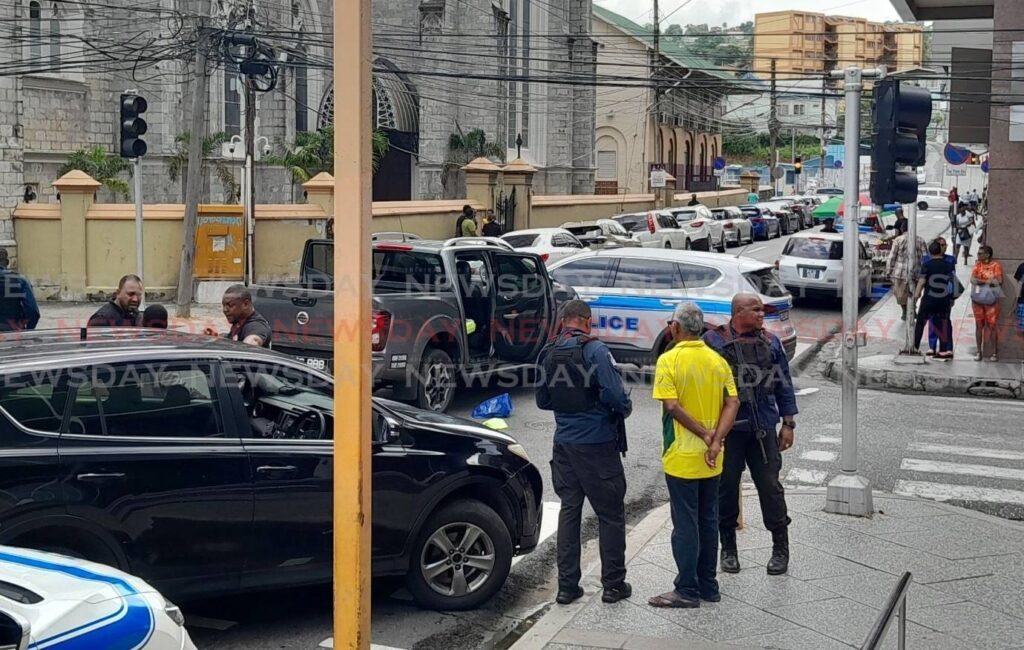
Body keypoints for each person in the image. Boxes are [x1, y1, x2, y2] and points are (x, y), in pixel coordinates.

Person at [536, 299, 633, 606]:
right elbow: (616, 396)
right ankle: (613, 585)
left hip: (564, 445)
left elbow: (542, 400)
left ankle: (567, 587)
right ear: (586, 321)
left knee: (570, 511)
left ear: (564, 321)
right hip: (598, 447)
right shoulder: (596, 350)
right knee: (610, 515)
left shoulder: (547, 352)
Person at [648, 303, 739, 609]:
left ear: (675, 327)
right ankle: (709, 585)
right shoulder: (717, 361)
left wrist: (702, 434)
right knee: (708, 519)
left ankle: (687, 588)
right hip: (713, 458)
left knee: (685, 523)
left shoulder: (668, 360)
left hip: (682, 457)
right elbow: (733, 402)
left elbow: (671, 407)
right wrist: (716, 440)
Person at [704, 294, 798, 576]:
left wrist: (788, 423)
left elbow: (784, 382)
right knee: (725, 489)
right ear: (738, 312)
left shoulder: (771, 342)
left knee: (770, 489)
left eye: (762, 310)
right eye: (756, 310)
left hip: (763, 428)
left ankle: (780, 548)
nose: (761, 315)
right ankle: (728, 548)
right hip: (728, 431)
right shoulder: (714, 342)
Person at [913, 240, 957, 359]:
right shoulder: (948, 265)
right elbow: (953, 283)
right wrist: (952, 298)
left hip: (929, 299)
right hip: (944, 300)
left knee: (920, 323)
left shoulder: (927, 265)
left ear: (930, 252)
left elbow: (922, 282)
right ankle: (943, 350)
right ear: (940, 250)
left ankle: (915, 347)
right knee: (943, 323)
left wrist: (915, 298)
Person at [202, 285, 272, 347]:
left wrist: (247, 345)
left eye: (230, 305)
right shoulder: (239, 321)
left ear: (245, 304)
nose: (225, 310)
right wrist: (217, 338)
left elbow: (252, 342)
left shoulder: (256, 326)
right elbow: (234, 340)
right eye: (223, 305)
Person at [886, 221, 927, 321]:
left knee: (900, 295)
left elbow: (892, 257)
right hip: (916, 273)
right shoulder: (920, 240)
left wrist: (888, 271)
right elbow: (926, 257)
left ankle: (905, 311)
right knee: (915, 293)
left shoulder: (898, 240)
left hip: (900, 273)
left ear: (902, 229)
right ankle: (912, 309)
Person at [970, 245, 1004, 361]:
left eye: (980, 253)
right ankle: (979, 352)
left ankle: (994, 353)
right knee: (978, 326)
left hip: (991, 301)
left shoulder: (996, 265)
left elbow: (998, 281)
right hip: (977, 300)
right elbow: (972, 280)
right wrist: (988, 281)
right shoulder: (977, 265)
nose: (978, 255)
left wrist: (981, 282)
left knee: (992, 326)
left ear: (987, 255)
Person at [0, 249, 40, 332]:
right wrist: (27, 330)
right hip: (12, 330)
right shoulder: (20, 280)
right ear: (7, 262)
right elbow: (32, 311)